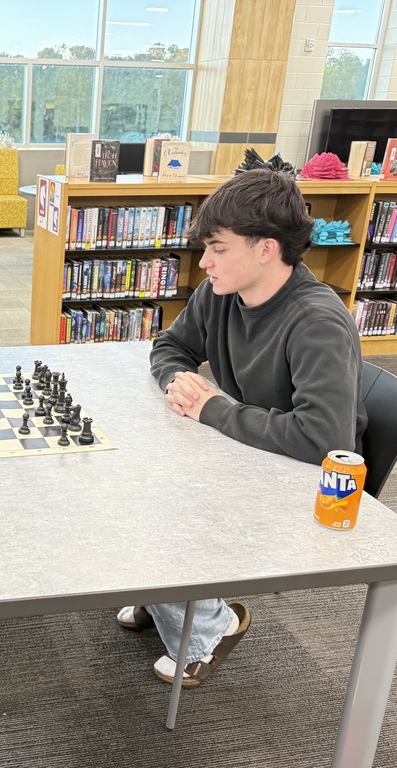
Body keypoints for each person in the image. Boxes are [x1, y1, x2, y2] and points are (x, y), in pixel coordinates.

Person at [117, 167, 367, 688]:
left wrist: (213, 410)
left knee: (153, 500)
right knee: (119, 468)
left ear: (266, 249)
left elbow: (325, 442)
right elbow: (170, 346)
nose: (204, 262)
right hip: (246, 449)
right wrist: (181, 380)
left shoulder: (316, 321)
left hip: (301, 481)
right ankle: (166, 594)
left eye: (218, 248)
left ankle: (210, 626)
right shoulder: (221, 292)